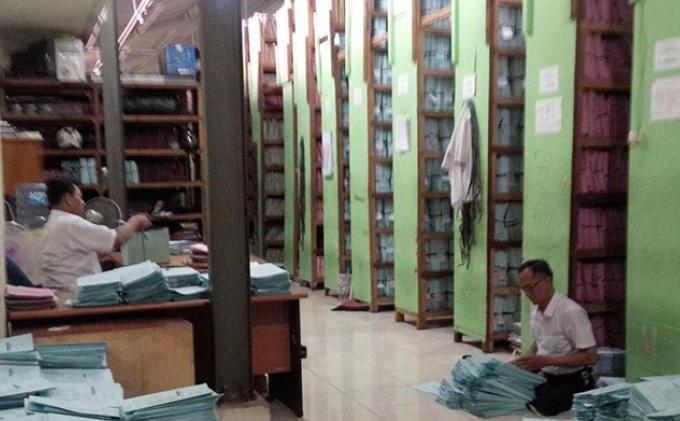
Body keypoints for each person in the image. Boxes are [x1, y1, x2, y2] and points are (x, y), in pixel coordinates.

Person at [511, 259, 598, 416]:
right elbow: (539, 342)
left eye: (530, 287)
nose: (527, 294)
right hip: (548, 377)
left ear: (547, 281)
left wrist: (546, 360)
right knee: (515, 394)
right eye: (524, 289)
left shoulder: (571, 312)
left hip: (574, 381)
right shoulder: (536, 312)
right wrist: (524, 361)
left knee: (541, 407)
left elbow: (590, 357)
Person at [41, 179, 151, 291]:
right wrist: (136, 221)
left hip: (62, 288)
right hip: (74, 290)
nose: (83, 203)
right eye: (80, 198)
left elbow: (70, 257)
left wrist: (100, 254)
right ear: (68, 200)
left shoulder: (54, 221)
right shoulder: (69, 222)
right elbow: (118, 238)